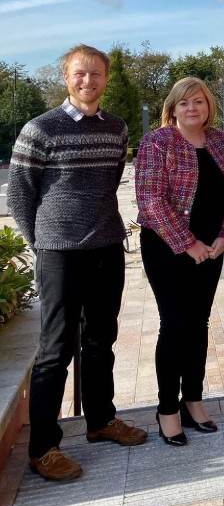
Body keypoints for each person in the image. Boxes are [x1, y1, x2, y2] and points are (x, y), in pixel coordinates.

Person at [8, 44, 147, 481]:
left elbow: (109, 183)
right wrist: (43, 244)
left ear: (106, 78)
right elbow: (19, 195)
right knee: (55, 350)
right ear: (66, 78)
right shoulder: (40, 129)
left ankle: (101, 420)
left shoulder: (116, 128)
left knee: (102, 340)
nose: (88, 81)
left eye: (96, 74)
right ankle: (43, 448)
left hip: (106, 248)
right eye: (80, 74)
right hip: (60, 254)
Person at [136, 77, 224, 445]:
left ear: (209, 106)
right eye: (184, 102)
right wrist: (188, 243)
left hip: (211, 249)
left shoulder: (222, 142)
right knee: (175, 324)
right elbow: (150, 200)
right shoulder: (157, 142)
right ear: (173, 108)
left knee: (199, 323)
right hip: (167, 248)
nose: (192, 108)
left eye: (198, 101)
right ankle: (167, 408)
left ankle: (193, 400)